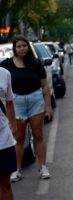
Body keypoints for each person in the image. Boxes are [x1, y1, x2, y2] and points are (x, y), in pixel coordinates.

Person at [0, 35, 52, 182]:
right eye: (19, 46)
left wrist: (48, 106)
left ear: (28, 47)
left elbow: (45, 86)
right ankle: (17, 169)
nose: (22, 48)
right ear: (14, 49)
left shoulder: (35, 64)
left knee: (39, 135)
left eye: (24, 46)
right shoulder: (6, 65)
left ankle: (43, 167)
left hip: (36, 100)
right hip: (17, 102)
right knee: (19, 137)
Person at [0, 67, 17, 200]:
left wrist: (13, 126)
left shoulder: (4, 73)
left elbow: (9, 102)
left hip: (3, 139)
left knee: (5, 184)